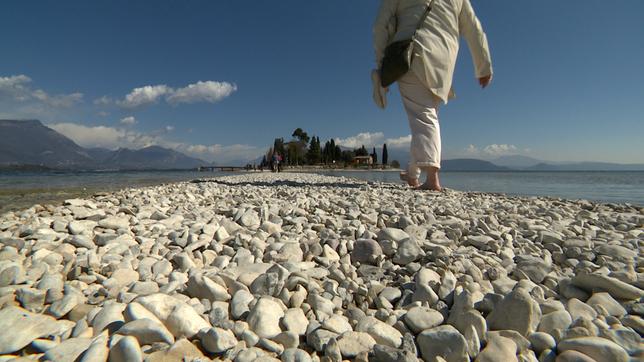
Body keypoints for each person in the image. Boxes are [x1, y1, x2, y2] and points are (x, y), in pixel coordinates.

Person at [372, 0, 493, 191]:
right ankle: (412, 174)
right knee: (425, 115)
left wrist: (381, 65)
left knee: (423, 116)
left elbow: (380, 25)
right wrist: (483, 66)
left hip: (411, 54)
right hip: (443, 64)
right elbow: (473, 28)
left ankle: (432, 179)